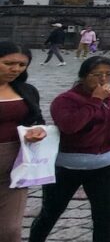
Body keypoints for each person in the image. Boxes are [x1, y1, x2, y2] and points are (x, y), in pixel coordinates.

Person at [29, 56, 110, 242]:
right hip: (67, 167)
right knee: (51, 212)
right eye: (96, 74)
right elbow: (70, 126)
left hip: (107, 165)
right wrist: (96, 100)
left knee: (105, 216)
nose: (103, 79)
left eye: (108, 74)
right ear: (83, 76)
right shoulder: (65, 100)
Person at [0, 42, 48, 242]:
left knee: (10, 230)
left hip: (15, 168)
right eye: (8, 63)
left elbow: (37, 120)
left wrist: (37, 130)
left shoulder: (26, 90)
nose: (15, 69)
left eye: (22, 65)